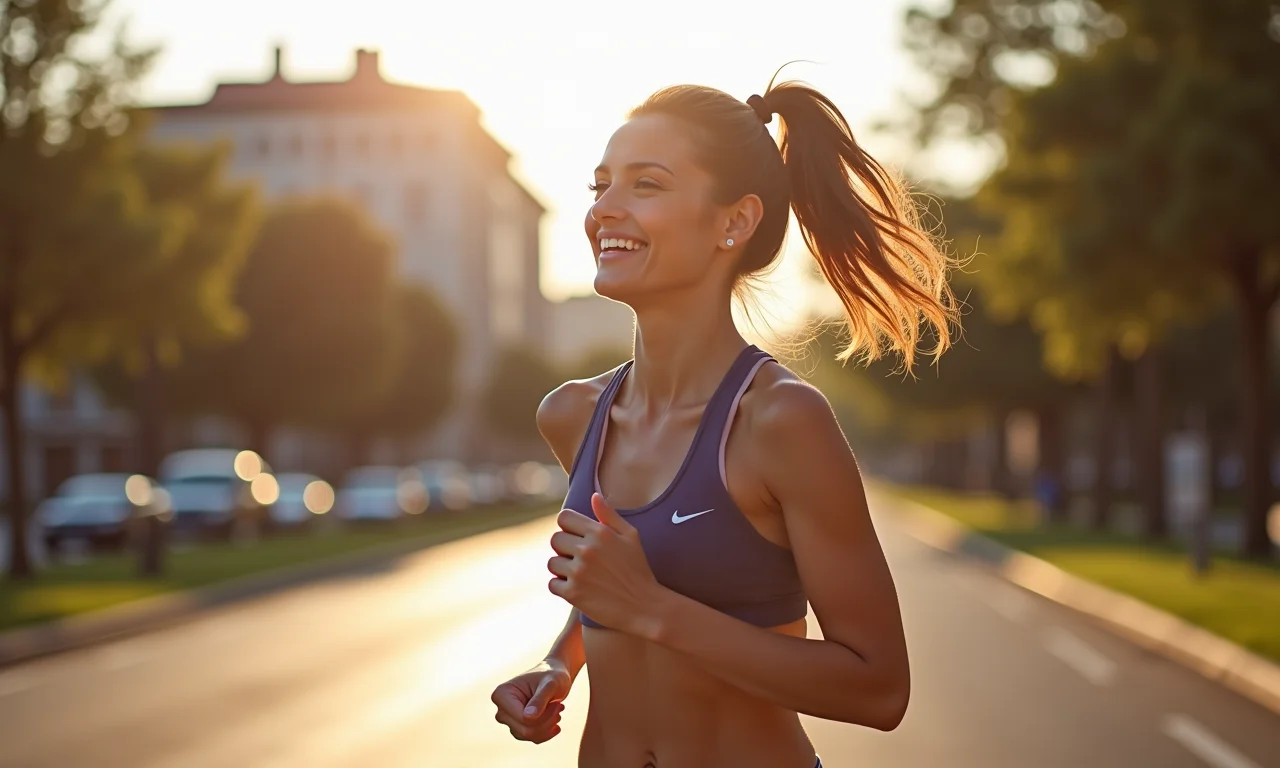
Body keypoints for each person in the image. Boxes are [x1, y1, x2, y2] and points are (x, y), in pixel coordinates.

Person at [490, 73, 956, 768]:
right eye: (600, 186)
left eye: (644, 185)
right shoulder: (572, 413)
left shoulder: (781, 422)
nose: (604, 211)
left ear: (734, 222)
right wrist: (562, 663)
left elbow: (878, 689)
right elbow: (616, 590)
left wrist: (652, 610)